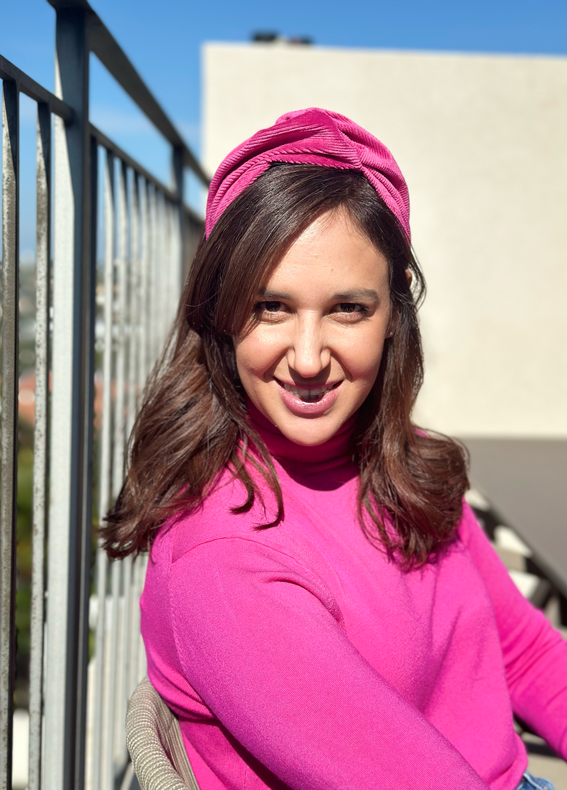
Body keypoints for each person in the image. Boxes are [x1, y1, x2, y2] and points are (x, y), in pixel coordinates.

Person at [103, 108, 567, 790]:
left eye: (347, 308)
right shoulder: (226, 558)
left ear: (393, 315)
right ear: (220, 315)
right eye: (271, 307)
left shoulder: (404, 461)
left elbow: (523, 653)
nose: (309, 357)